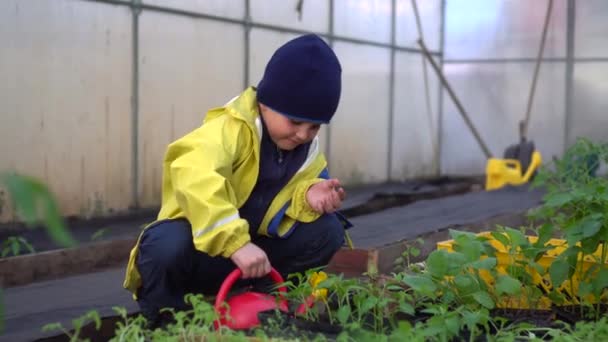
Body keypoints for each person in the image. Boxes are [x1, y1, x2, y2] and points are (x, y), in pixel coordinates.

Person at [123, 34, 352, 326]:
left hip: (257, 258)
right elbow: (193, 172)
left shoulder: (306, 153)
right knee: (164, 244)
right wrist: (235, 244)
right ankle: (167, 323)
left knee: (327, 231)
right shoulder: (228, 131)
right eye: (295, 121)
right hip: (206, 251)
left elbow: (283, 200)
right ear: (265, 104)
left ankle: (266, 306)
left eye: (314, 127)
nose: (303, 135)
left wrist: (308, 196)